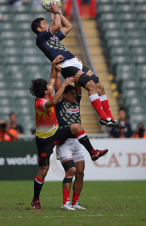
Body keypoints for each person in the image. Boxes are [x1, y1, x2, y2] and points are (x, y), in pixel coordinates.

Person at [29, 56, 109, 210]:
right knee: (43, 171)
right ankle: (36, 199)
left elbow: (53, 78)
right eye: (47, 87)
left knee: (77, 127)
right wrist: (65, 83)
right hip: (44, 139)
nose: (49, 87)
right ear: (44, 91)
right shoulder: (41, 102)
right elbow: (53, 101)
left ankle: (92, 152)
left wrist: (54, 65)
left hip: (56, 133)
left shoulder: (48, 92)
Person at [31, 2, 123, 129]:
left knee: (99, 86)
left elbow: (68, 26)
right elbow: (57, 25)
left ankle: (110, 118)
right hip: (66, 65)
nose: (47, 24)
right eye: (44, 24)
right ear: (39, 29)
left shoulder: (53, 37)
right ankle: (103, 118)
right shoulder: (41, 38)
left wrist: (57, 13)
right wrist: (56, 11)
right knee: (91, 85)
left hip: (75, 62)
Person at [55, 66, 107, 210]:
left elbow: (78, 84)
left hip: (76, 142)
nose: (74, 95)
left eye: (74, 93)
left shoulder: (76, 101)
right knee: (70, 171)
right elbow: (58, 87)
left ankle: (75, 202)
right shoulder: (60, 103)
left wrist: (77, 70)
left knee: (80, 173)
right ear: (64, 95)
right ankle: (65, 203)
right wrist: (59, 72)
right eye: (71, 94)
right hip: (64, 140)